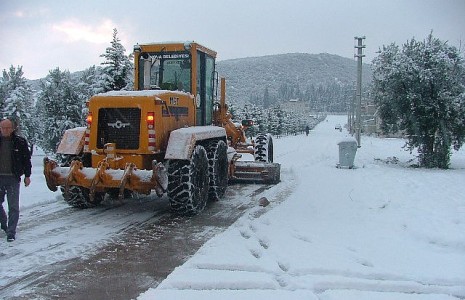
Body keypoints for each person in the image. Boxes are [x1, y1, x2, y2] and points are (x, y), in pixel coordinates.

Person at [0, 118, 32, 242]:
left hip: (13, 178)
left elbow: (26, 160)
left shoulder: (20, 142)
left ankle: (11, 232)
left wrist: (27, 176)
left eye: (8, 128)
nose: (5, 130)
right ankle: (4, 224)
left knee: (13, 206)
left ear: (12, 129)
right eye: (3, 127)